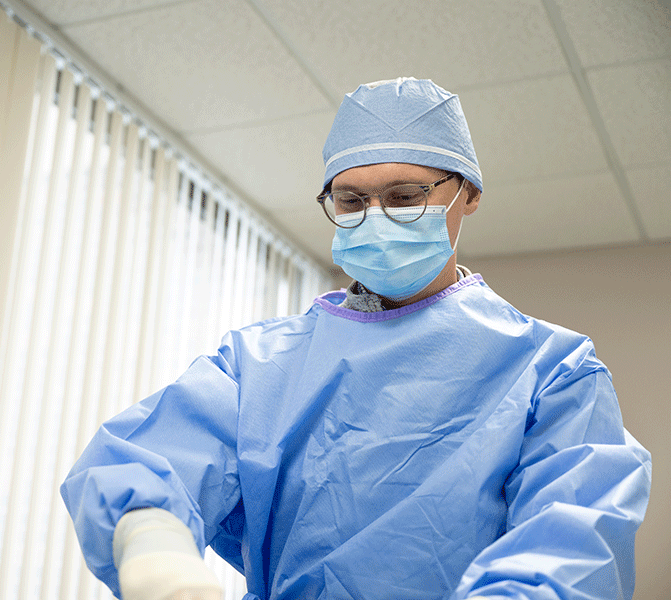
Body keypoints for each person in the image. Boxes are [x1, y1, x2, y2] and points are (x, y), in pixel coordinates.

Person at [61, 78, 652, 600]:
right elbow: (146, 462)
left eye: (404, 197)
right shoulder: (258, 365)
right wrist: (156, 556)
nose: (375, 217)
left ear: (468, 195)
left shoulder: (551, 371)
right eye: (351, 201)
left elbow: (573, 541)